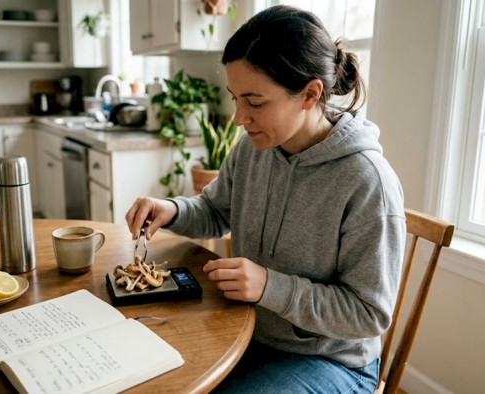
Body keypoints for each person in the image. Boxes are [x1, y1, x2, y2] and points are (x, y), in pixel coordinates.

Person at [125, 5, 406, 393]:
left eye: (255, 102)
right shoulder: (254, 147)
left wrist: (269, 287)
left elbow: (368, 314)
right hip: (247, 330)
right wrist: (170, 210)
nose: (239, 118)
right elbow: (214, 210)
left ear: (310, 93)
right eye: (235, 98)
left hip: (328, 360)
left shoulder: (367, 182)